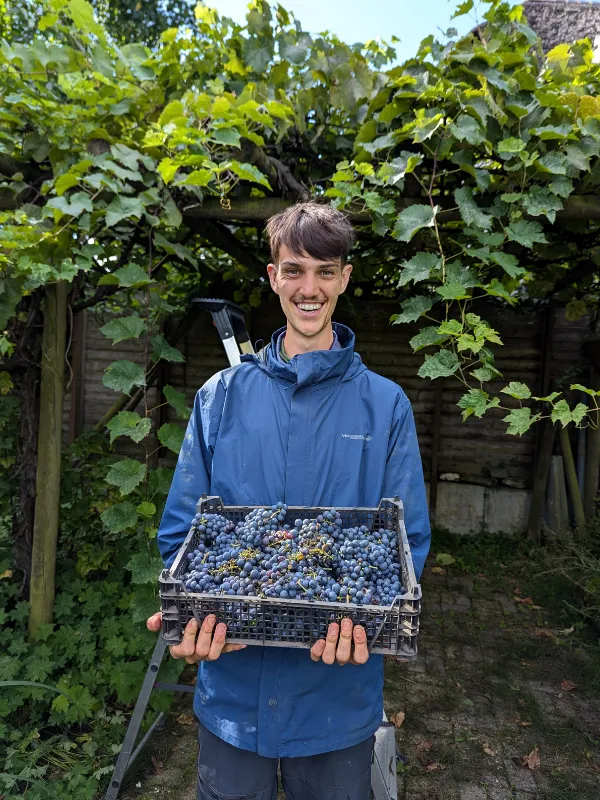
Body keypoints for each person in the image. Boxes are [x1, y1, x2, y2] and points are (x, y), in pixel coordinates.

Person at [146, 202, 431, 800]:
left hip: (338, 695)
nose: (310, 288)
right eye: (295, 270)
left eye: (325, 272)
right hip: (233, 692)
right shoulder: (219, 398)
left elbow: (405, 546)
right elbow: (184, 535)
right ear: (273, 277)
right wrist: (194, 612)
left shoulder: (386, 407)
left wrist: (371, 623)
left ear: (344, 279)